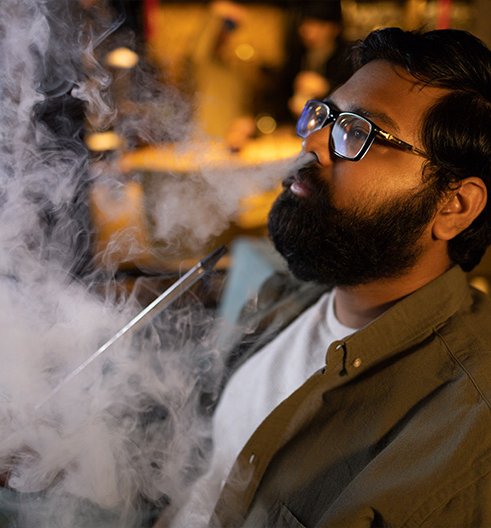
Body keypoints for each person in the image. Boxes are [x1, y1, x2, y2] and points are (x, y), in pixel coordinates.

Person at [162, 27, 491, 528]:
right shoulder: (294, 290)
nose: (313, 142)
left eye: (359, 132)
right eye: (325, 117)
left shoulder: (463, 438)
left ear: (455, 206)